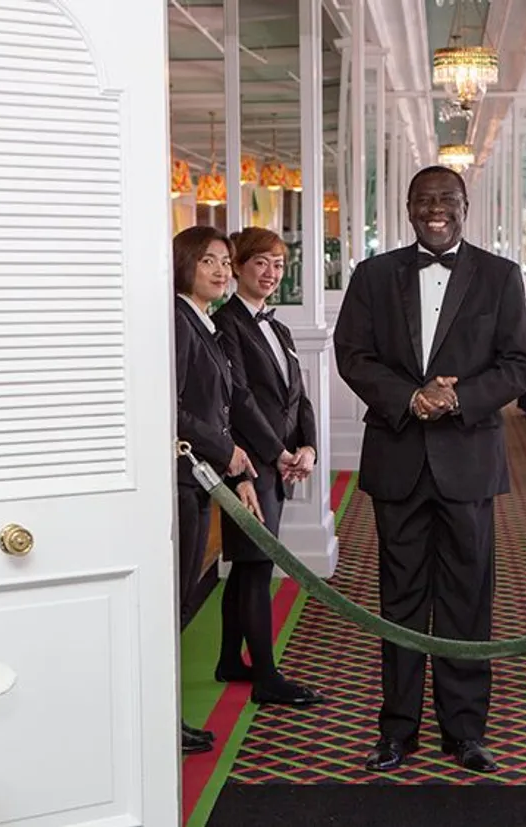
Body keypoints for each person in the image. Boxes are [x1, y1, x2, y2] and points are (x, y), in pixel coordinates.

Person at [333, 165, 526, 774]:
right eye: (423, 200)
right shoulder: (372, 276)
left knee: (468, 599)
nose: (435, 209)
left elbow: (519, 364)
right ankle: (396, 729)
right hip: (398, 456)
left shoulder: (501, 277)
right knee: (398, 599)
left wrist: (456, 397)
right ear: (407, 207)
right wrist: (409, 397)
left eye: (446, 199)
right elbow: (353, 355)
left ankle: (466, 730)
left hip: (469, 460)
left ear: (465, 204)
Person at [211, 227, 323, 707]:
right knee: (257, 567)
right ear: (237, 267)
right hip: (248, 463)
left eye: (278, 265)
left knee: (247, 567)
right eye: (260, 263)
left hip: (275, 458)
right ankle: (267, 676)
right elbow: (238, 401)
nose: (271, 273)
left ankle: (229, 659)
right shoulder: (226, 324)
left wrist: (310, 447)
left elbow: (297, 395)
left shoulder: (276, 327)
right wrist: (277, 451)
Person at [172, 225, 258, 754]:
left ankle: (164, 711)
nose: (222, 270)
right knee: (176, 604)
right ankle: (160, 713)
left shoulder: (203, 322)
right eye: (209, 261)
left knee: (182, 601)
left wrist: (236, 463)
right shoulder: (179, 322)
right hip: (183, 478)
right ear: (185, 265)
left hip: (202, 476)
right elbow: (173, 407)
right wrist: (223, 451)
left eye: (225, 261)